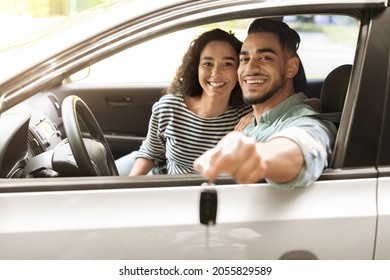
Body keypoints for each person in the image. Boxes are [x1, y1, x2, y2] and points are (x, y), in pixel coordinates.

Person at [193, 19, 338, 190]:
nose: (250, 68)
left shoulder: (306, 122)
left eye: (265, 58)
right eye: (244, 59)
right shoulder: (254, 118)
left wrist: (258, 157)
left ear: (291, 68)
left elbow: (303, 144)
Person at [115, 28, 252, 176]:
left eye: (227, 64)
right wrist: (131, 186)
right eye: (207, 64)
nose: (215, 73)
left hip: (218, 194)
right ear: (196, 68)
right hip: (173, 190)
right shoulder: (169, 108)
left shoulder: (247, 116)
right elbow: (151, 153)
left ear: (239, 69)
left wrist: (259, 115)